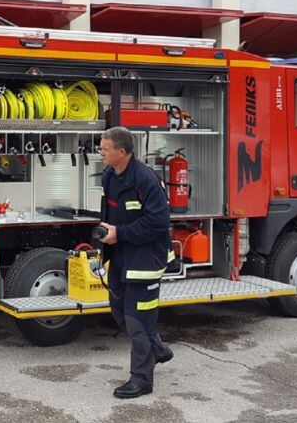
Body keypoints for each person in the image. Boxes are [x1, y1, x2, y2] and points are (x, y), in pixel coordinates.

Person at [96, 126, 173, 399]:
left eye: (105, 149)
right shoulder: (109, 175)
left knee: (137, 318)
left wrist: (121, 234)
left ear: (122, 152)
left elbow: (158, 222)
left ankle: (142, 378)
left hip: (145, 259)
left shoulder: (146, 179)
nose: (100, 152)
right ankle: (157, 349)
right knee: (118, 309)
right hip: (119, 256)